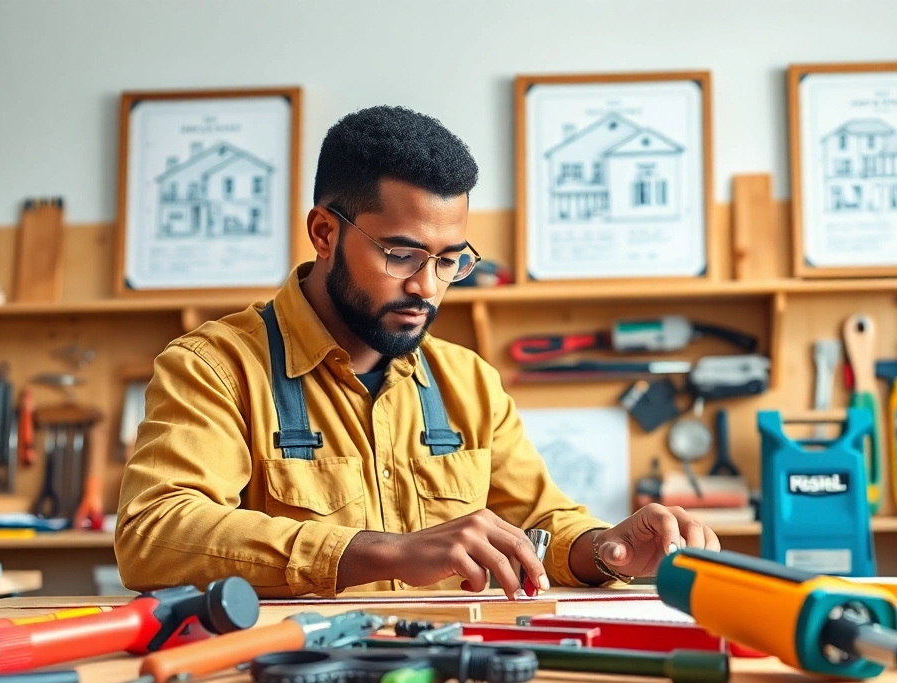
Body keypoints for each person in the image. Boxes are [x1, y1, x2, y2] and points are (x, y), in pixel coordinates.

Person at [115, 105, 720, 599]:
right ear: (325, 233)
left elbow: (542, 525)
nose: (427, 288)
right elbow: (155, 533)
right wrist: (380, 551)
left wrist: (604, 550)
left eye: (450, 260)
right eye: (400, 255)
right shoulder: (214, 369)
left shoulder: (469, 384)